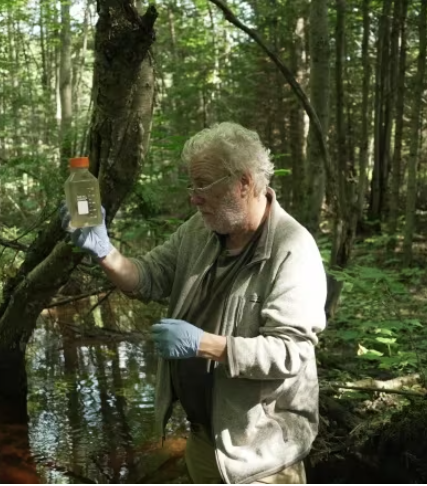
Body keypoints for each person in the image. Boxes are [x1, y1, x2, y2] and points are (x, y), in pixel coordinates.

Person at [61, 122, 327, 484]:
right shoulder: (200, 230)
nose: (194, 197)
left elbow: (290, 353)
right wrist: (105, 251)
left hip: (261, 455)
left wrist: (204, 344)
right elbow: (148, 276)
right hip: (206, 440)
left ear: (244, 183)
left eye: (203, 185)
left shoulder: (292, 248)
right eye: (192, 185)